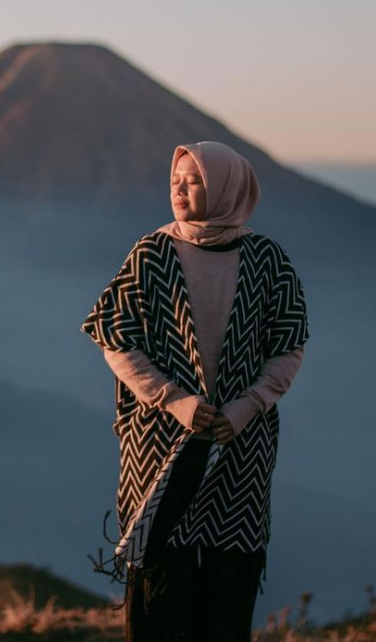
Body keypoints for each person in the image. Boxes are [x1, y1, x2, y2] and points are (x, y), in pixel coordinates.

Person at [82, 141, 308, 642]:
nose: (180, 190)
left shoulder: (267, 260)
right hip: (161, 444)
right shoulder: (151, 253)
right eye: (176, 181)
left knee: (228, 592)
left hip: (239, 448)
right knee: (159, 591)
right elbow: (114, 339)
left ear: (227, 187)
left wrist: (248, 406)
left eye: (195, 180)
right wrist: (175, 401)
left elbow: (289, 346)